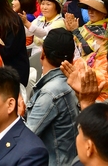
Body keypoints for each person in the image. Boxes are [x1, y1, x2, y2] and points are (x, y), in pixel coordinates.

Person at [24, 29, 78, 166]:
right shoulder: (75, 83)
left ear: (42, 54)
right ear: (72, 57)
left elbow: (26, 137)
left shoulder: (51, 93)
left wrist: (16, 116)